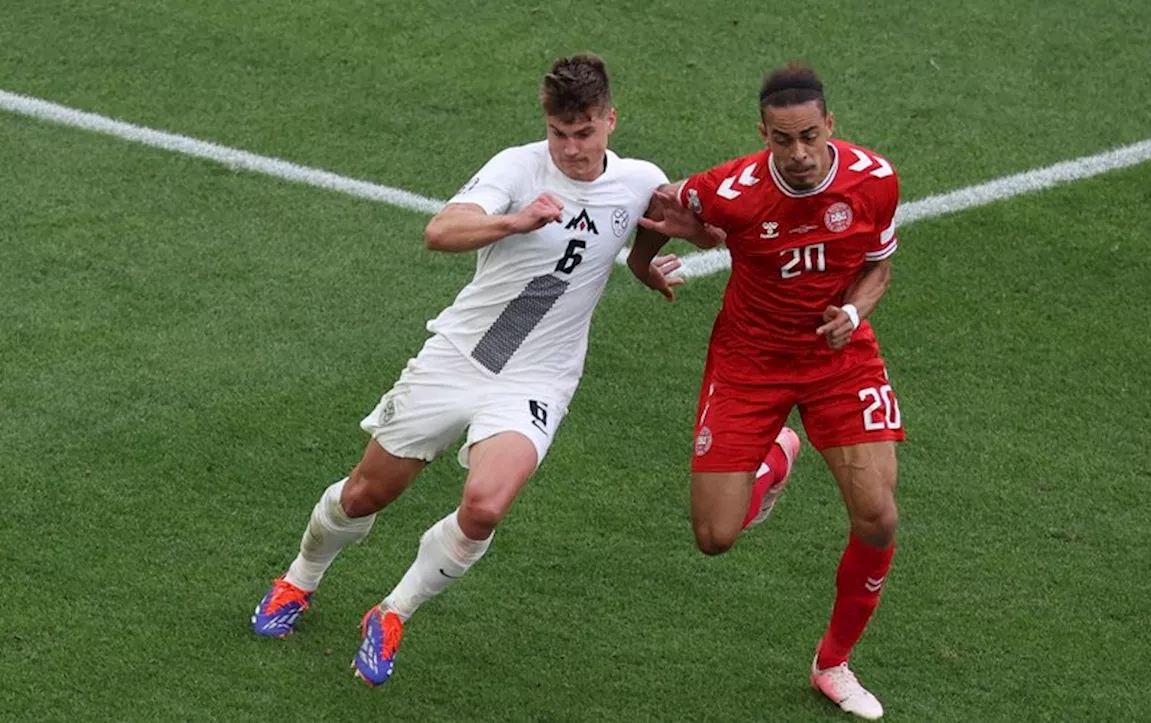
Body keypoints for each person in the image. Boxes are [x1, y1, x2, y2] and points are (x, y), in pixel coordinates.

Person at [250, 52, 686, 687]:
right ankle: (299, 579)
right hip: (459, 357)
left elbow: (651, 225)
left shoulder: (641, 178)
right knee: (366, 493)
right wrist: (514, 220)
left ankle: (393, 612)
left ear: (610, 120)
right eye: (559, 133)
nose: (570, 148)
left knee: (483, 506)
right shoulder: (517, 167)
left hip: (538, 378)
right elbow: (441, 230)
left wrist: (646, 267)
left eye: (584, 132)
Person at [631, 63, 904, 720]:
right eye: (784, 140)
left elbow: (879, 264)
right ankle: (779, 452)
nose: (801, 154)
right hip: (750, 359)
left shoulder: (875, 180)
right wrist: (644, 268)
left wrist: (856, 313)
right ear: (764, 135)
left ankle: (832, 662)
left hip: (838, 356)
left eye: (810, 136)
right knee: (713, 535)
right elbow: (661, 207)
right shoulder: (729, 188)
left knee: (879, 515)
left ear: (830, 124)